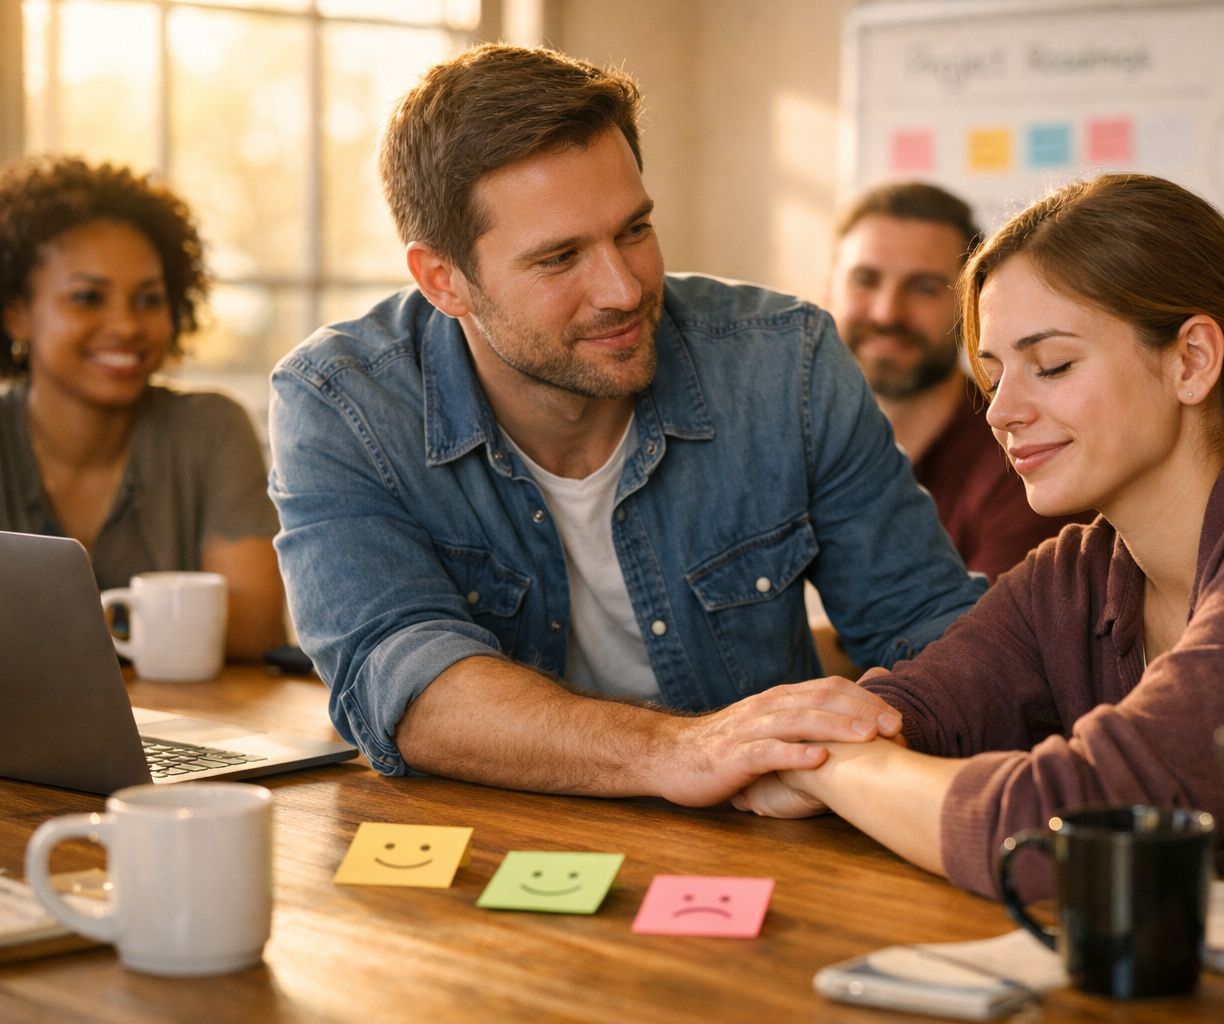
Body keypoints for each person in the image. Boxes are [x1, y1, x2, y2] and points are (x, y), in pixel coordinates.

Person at [732, 174, 1224, 901]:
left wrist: (828, 763)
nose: (1002, 411)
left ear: (1190, 361)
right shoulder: (1073, 572)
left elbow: (1074, 834)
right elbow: (904, 710)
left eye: (1050, 365)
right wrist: (835, 747)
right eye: (993, 373)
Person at [266, 44, 985, 801]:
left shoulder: (787, 362)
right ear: (444, 279)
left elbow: (929, 630)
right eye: (559, 257)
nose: (622, 289)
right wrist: (681, 751)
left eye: (634, 230)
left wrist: (855, 751)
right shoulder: (341, 402)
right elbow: (402, 678)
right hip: (487, 849)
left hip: (769, 833)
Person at [0, 156, 287, 662]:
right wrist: (168, 623)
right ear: (17, 313)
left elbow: (256, 626)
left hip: (192, 727)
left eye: (149, 300)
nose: (127, 326)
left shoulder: (210, 430)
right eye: (88, 297)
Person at [827, 182, 1088, 582]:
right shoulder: (787, 445)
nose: (886, 313)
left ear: (973, 306)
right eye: (865, 279)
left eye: (924, 288)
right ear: (831, 288)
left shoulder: (1023, 455)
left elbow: (982, 640)